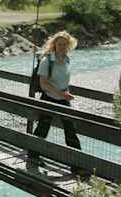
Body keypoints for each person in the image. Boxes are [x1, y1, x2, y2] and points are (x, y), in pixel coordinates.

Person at [27, 31, 82, 169]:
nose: (62, 46)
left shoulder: (67, 59)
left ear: (69, 45)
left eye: (65, 44)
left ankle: (78, 164)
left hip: (63, 97)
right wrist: (63, 94)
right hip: (49, 98)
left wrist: (65, 92)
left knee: (70, 130)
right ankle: (33, 156)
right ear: (54, 44)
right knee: (43, 129)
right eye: (59, 44)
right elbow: (43, 83)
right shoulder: (47, 61)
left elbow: (63, 80)